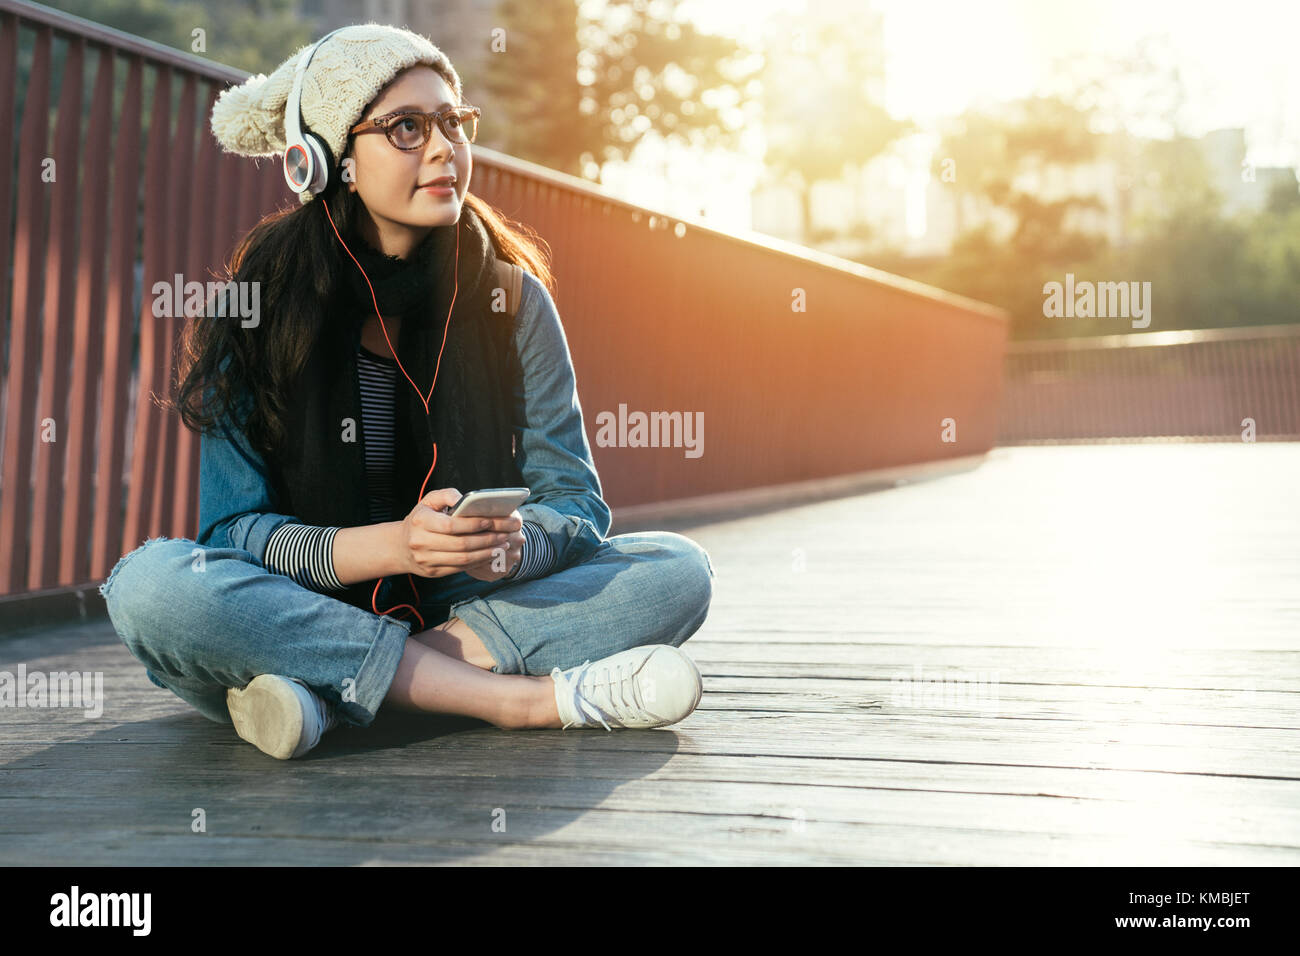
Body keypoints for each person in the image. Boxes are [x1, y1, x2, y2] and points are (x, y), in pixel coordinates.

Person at [99, 24, 715, 760]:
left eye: (453, 122)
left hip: (462, 607)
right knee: (152, 586)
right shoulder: (253, 311)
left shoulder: (513, 304)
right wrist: (396, 545)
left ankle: (324, 696)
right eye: (407, 128)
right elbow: (233, 536)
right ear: (329, 161)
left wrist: (512, 552)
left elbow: (576, 504)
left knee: (675, 571)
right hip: (301, 609)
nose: (443, 148)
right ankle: (520, 701)